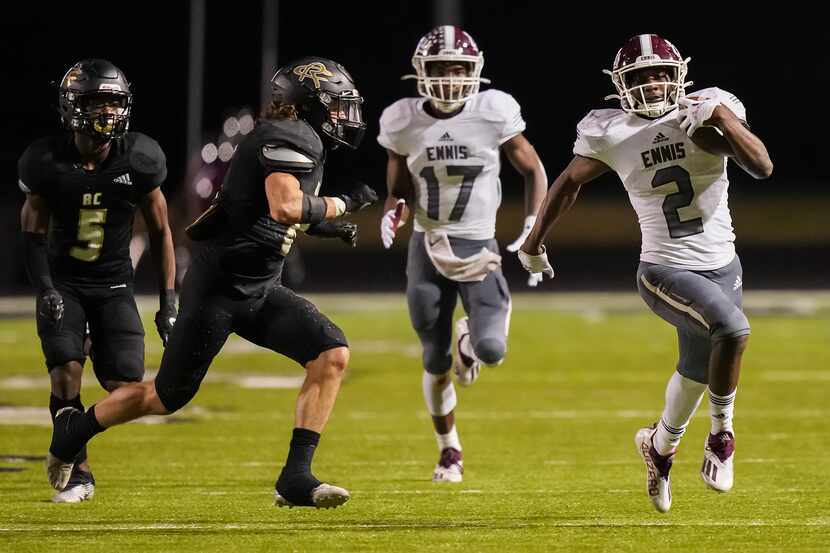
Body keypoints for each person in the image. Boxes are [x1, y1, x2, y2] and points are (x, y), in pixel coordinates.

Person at [46, 57, 377, 509]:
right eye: (336, 105)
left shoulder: (298, 137)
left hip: (259, 290)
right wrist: (342, 204)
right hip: (219, 291)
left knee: (331, 353)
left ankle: (295, 476)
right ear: (307, 104)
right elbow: (284, 206)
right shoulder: (290, 134)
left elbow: (264, 212)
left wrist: (323, 225)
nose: (344, 116)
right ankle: (74, 431)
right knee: (163, 397)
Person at [517, 34, 773, 512]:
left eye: (660, 74)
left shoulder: (710, 109)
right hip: (663, 269)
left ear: (678, 77)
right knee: (733, 330)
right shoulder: (610, 129)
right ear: (623, 85)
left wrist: (721, 119)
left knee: (697, 371)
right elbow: (569, 183)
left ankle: (659, 446)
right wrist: (534, 242)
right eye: (641, 76)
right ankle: (722, 436)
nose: (653, 84)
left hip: (723, 265)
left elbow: (761, 166)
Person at [378, 26, 547, 482]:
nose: (451, 78)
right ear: (421, 73)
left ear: (475, 71)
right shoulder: (402, 119)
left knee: (491, 350)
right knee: (433, 361)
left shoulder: (493, 111)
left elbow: (533, 168)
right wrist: (395, 208)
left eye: (459, 68)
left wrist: (532, 224)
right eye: (440, 69)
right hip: (427, 247)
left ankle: (468, 342)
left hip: (478, 244)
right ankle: (449, 449)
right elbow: (398, 183)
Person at [18, 58, 176, 503]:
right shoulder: (45, 160)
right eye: (95, 102)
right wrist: (46, 287)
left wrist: (169, 299)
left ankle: (70, 432)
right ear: (71, 106)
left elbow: (162, 231)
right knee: (65, 376)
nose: (106, 112)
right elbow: (30, 235)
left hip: (113, 287)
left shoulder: (141, 157)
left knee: (130, 389)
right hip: (66, 284)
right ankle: (79, 473)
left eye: (112, 102)